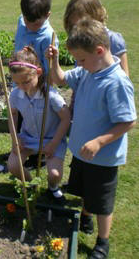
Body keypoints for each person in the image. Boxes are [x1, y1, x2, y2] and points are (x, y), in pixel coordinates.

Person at [47, 18, 136, 259]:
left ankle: (102, 241)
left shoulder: (116, 82)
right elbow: (59, 79)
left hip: (103, 157)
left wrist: (99, 141)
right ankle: (85, 217)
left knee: (103, 203)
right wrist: (54, 61)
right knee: (86, 191)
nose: (78, 64)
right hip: (81, 151)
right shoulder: (88, 71)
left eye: (81, 60)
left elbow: (128, 121)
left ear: (100, 51)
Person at [7, 46, 70, 203]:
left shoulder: (51, 95)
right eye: (16, 83)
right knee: (13, 166)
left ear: (38, 73)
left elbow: (66, 118)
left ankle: (53, 187)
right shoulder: (15, 95)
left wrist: (54, 144)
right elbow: (12, 114)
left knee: (54, 174)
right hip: (27, 137)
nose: (21, 87)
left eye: (26, 81)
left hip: (51, 139)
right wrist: (15, 138)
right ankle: (30, 185)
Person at [13, 0, 59, 170]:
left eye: (36, 23)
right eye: (27, 20)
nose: (31, 26)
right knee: (19, 115)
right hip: (19, 81)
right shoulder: (21, 22)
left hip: (36, 86)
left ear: (47, 15)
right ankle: (20, 146)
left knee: (38, 122)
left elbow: (50, 71)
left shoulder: (48, 37)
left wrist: (45, 90)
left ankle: (39, 156)